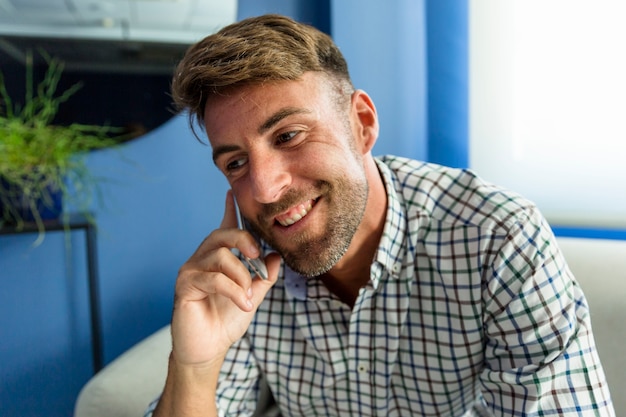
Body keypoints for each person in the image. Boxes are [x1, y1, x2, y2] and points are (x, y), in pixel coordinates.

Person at [148, 14, 614, 417]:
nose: (266, 188)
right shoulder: (242, 277)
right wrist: (194, 367)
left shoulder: (498, 240)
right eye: (236, 163)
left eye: (289, 136)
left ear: (363, 124)